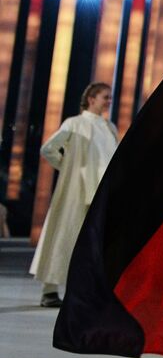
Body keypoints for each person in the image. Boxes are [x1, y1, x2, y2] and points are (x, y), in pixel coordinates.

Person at [30, 83, 119, 308]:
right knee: (64, 234)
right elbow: (48, 149)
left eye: (110, 98)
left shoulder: (110, 127)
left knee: (96, 242)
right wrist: (68, 167)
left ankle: (91, 290)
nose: (109, 101)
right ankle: (49, 290)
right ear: (91, 98)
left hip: (100, 191)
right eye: (105, 97)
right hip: (76, 189)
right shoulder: (75, 124)